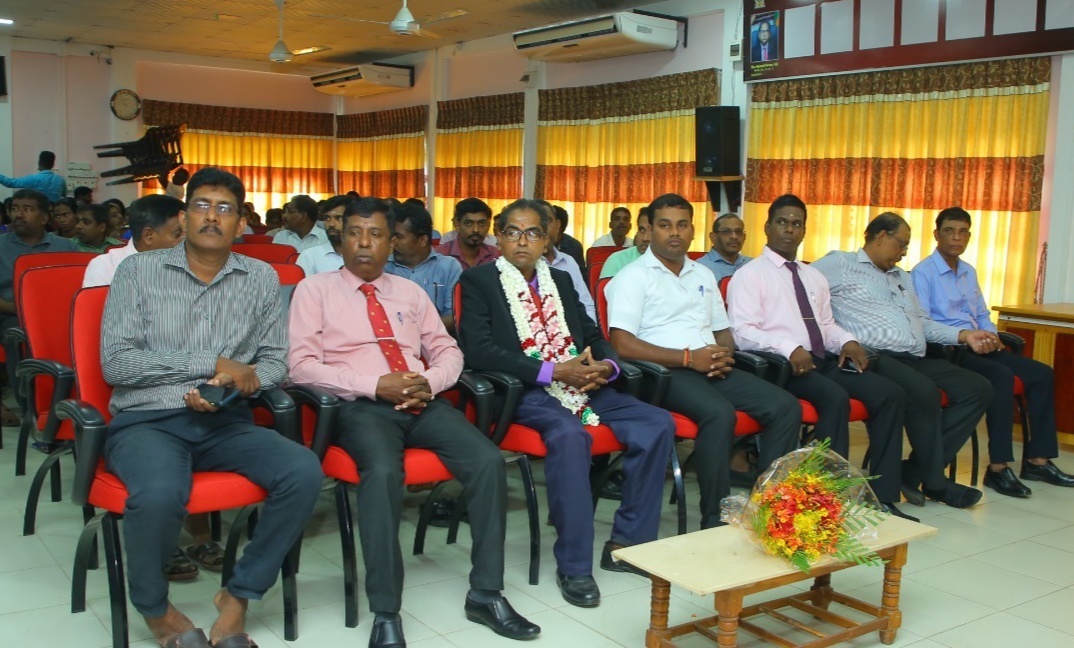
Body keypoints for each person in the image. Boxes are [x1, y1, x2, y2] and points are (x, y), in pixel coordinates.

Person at [288, 197, 540, 647]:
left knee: (486, 461)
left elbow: (448, 351)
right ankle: (386, 612)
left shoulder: (409, 292)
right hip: (360, 406)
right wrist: (374, 385)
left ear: (392, 243)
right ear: (341, 239)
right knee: (384, 472)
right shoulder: (314, 290)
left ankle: (486, 594)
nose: (364, 243)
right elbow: (301, 367)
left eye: (375, 235)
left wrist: (430, 381)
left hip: (421, 400)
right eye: (354, 233)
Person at [100, 167, 323, 648]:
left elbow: (275, 361)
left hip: (226, 420)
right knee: (160, 493)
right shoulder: (138, 271)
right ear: (183, 217)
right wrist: (212, 362)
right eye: (201, 205)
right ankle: (156, 610)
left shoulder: (260, 278)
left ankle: (238, 595)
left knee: (303, 471)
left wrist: (237, 380)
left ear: (241, 222)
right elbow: (116, 363)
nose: (211, 217)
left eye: (225, 209)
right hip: (148, 422)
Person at [459, 199, 675, 608]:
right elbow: (479, 351)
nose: (522, 241)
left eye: (533, 233)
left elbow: (591, 334)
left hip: (582, 382)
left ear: (548, 240)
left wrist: (606, 366)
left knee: (657, 422)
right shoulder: (478, 281)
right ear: (499, 238)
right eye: (512, 232)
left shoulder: (559, 279)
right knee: (571, 435)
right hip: (524, 391)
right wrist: (554, 372)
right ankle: (574, 566)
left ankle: (627, 544)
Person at [606, 193, 801, 529]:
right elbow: (622, 345)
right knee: (719, 414)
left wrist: (723, 354)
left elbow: (722, 331)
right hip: (663, 373)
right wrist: (687, 358)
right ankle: (715, 517)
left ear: (693, 230)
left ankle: (769, 508)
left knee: (785, 406)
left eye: (682, 225)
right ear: (649, 230)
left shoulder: (702, 274)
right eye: (665, 225)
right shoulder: (633, 276)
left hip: (708, 364)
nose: (674, 233)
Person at [727, 195, 913, 520]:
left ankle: (883, 497)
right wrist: (788, 347)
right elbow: (742, 332)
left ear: (804, 231)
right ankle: (828, 499)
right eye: (782, 222)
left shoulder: (812, 275)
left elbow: (825, 325)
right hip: (779, 368)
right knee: (834, 397)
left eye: (796, 224)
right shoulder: (751, 274)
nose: (789, 229)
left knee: (890, 394)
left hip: (819, 361)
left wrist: (847, 340)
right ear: (767, 227)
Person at [83, 194, 224, 582]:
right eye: (178, 233)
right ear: (148, 236)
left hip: (184, 381)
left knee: (197, 418)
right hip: (130, 387)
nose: (187, 241)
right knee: (166, 440)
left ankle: (200, 536)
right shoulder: (106, 268)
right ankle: (166, 542)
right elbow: (118, 350)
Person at [812, 211, 992, 509]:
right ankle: (936, 483)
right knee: (923, 391)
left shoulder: (902, 277)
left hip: (915, 357)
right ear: (881, 236)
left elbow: (924, 323)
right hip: (874, 356)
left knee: (977, 388)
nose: (905, 252)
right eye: (902, 244)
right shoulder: (840, 263)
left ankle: (915, 471)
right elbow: (798, 285)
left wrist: (963, 335)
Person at [911, 207, 1074, 496]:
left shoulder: (968, 271)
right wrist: (967, 337)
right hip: (950, 349)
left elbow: (982, 314)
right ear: (936, 234)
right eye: (949, 231)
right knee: (1000, 376)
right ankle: (998, 468)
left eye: (963, 232)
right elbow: (923, 323)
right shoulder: (923, 273)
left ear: (969, 236)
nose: (956, 237)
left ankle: (1037, 461)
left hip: (980, 344)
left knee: (1041, 373)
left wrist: (992, 335)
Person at [0, 188, 77, 425]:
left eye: (27, 209)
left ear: (44, 217)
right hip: (11, 314)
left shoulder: (66, 247)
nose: (19, 214)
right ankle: (32, 411)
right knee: (18, 335)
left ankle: (70, 405)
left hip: (59, 316)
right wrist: (23, 312)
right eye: (15, 208)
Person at [384, 201, 463, 332]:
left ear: (422, 240)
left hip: (436, 339)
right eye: (391, 236)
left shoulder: (448, 267)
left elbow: (454, 316)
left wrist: (414, 331)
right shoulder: (383, 267)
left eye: (399, 237)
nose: (393, 242)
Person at [537, 200, 596, 321]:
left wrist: (589, 330)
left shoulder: (569, 262)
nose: (543, 227)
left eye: (547, 220)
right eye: (537, 222)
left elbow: (587, 305)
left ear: (557, 225)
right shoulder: (524, 265)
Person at [436, 198, 501, 269]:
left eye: (481, 223)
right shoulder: (440, 256)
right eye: (468, 223)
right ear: (457, 224)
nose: (476, 230)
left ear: (488, 225)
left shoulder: (496, 256)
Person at [295, 195, 349, 276]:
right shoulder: (310, 256)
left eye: (338, 218)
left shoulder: (365, 256)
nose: (331, 224)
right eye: (327, 218)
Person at [697, 213, 751, 283]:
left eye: (738, 232)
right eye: (726, 232)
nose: (734, 236)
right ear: (713, 237)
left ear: (744, 237)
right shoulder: (700, 267)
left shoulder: (752, 264)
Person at [599, 207, 652, 279]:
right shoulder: (616, 261)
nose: (645, 238)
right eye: (641, 229)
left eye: (652, 231)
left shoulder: (667, 263)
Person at [0, 151, 67, 201]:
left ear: (39, 162)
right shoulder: (61, 180)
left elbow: (10, 183)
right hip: (54, 213)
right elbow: (63, 195)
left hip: (38, 213)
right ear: (53, 164)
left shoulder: (34, 179)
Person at [552, 205, 586, 271]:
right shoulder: (538, 243)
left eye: (547, 221)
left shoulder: (574, 246)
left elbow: (580, 273)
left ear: (558, 225)